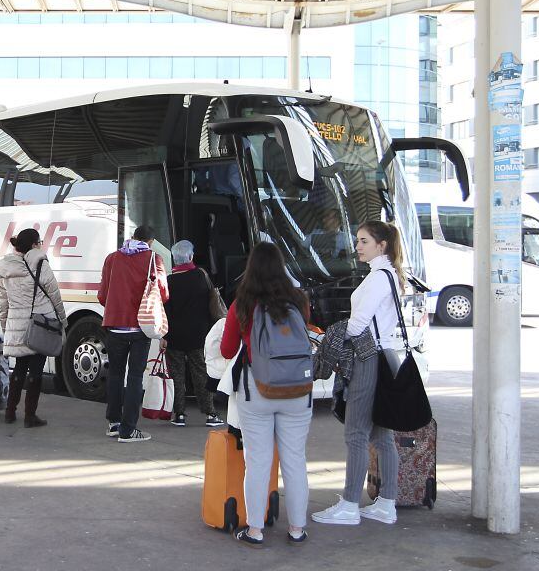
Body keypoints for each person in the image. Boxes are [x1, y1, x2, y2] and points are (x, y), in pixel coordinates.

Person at [312, 220, 406, 526]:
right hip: (386, 356)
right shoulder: (390, 275)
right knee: (382, 435)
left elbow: (358, 324)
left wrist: (327, 337)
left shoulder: (379, 277)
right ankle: (386, 503)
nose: (357, 246)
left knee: (356, 433)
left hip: (368, 358)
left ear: (382, 245)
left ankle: (350, 505)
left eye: (363, 241)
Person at [220, 242, 312, 546]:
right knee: (295, 461)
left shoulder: (242, 303)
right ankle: (297, 528)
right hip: (298, 391)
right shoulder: (298, 300)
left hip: (257, 390)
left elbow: (227, 349)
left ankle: (255, 530)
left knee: (258, 460)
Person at [98, 225, 168, 443]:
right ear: (151, 242)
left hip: (114, 325)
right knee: (135, 377)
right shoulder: (153, 259)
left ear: (132, 238)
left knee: (115, 375)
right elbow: (163, 294)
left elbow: (103, 295)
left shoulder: (112, 258)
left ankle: (113, 423)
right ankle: (128, 430)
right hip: (140, 327)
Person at [0, 227, 67, 428]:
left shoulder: (5, 268)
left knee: (19, 368)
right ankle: (30, 416)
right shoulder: (41, 264)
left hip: (16, 324)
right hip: (39, 324)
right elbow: (54, 295)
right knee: (35, 371)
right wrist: (62, 321)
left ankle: (10, 412)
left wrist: (6, 326)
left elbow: (3, 302)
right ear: (35, 244)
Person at [163, 240, 224, 428]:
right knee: (200, 374)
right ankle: (210, 414)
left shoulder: (169, 280)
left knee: (177, 375)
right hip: (199, 335)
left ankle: (179, 414)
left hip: (175, 336)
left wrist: (164, 336)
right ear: (190, 256)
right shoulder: (200, 275)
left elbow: (166, 310)